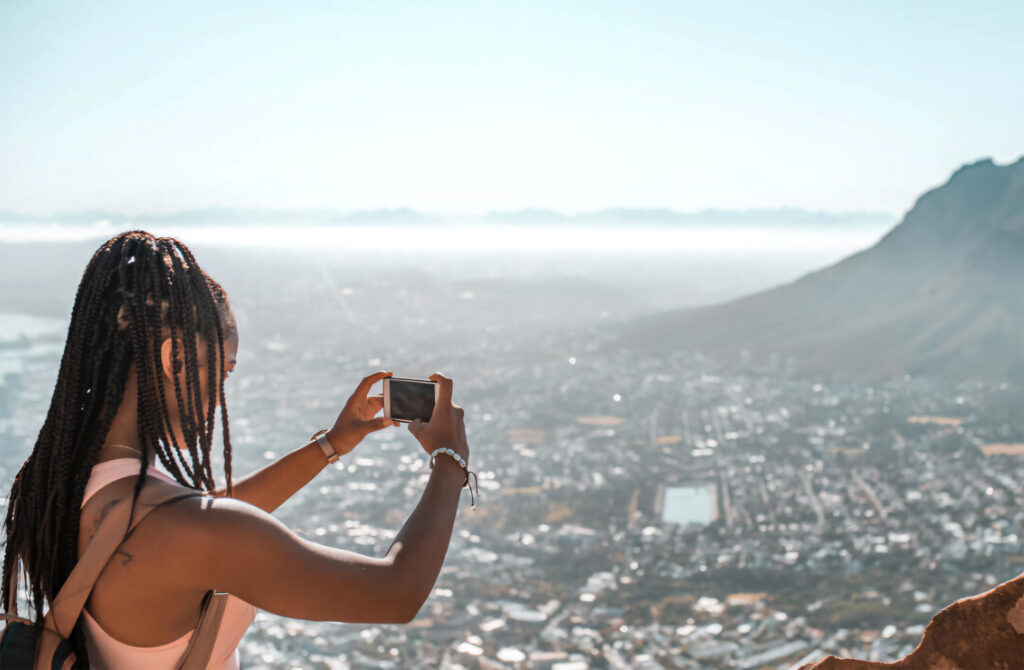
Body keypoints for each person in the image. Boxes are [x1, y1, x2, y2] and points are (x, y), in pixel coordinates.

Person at [1, 230, 473, 669]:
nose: (220, 396)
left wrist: (331, 445)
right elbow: (395, 594)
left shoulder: (69, 483)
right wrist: (449, 460)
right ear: (174, 358)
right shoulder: (186, 529)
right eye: (223, 372)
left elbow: (200, 523)